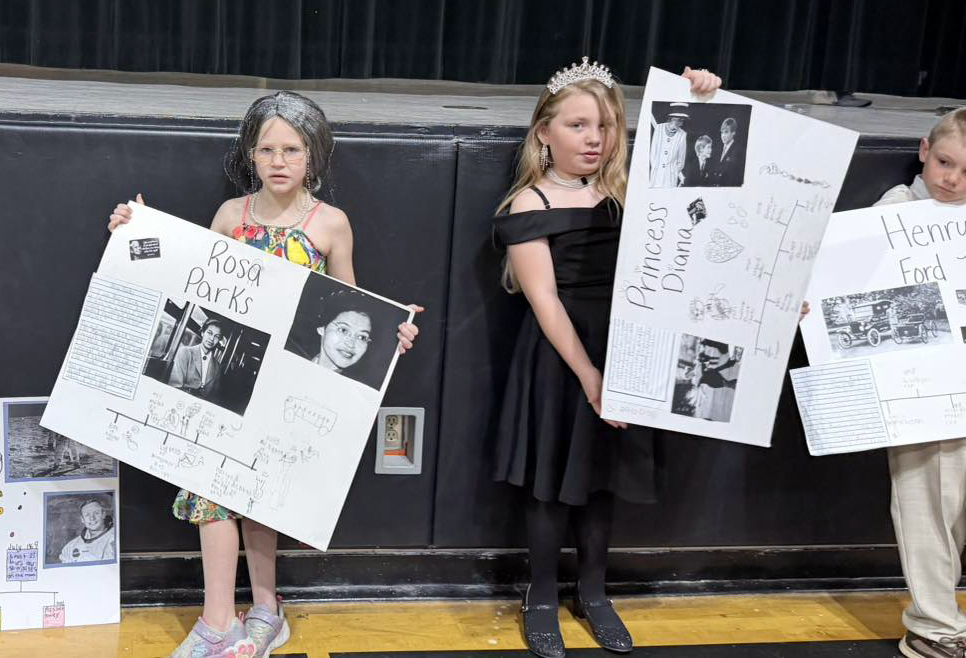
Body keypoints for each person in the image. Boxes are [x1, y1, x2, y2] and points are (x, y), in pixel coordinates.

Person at [108, 91, 422, 658]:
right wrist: (135, 233)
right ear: (250, 155)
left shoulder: (332, 224)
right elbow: (191, 278)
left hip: (289, 390)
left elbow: (352, 302)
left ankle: (266, 610)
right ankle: (217, 620)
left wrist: (390, 329)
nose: (279, 160)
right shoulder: (232, 216)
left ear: (313, 157)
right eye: (267, 149)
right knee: (209, 492)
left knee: (262, 499)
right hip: (226, 390)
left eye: (292, 149)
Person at [492, 59, 720, 658]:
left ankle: (593, 593)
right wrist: (592, 376)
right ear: (544, 132)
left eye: (606, 125)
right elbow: (544, 301)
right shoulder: (528, 203)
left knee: (601, 482)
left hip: (625, 347)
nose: (594, 138)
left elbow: (704, 189)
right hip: (560, 355)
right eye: (578, 125)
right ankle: (540, 596)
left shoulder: (631, 192)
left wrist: (700, 101)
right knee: (549, 485)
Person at [865, 108, 966, 658]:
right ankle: (934, 628)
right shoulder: (892, 213)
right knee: (929, 504)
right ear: (925, 150)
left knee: (954, 510)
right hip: (919, 390)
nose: (951, 180)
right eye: (946, 163)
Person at [168, 318, 224, 401]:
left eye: (216, 337)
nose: (212, 339)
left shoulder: (217, 367)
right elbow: (175, 385)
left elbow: (213, 397)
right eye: (209, 333)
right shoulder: (185, 353)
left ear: (219, 340)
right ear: (202, 333)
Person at [59, 498, 115, 563]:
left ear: (103, 514)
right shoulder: (70, 547)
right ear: (82, 519)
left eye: (96, 513)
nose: (92, 518)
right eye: (87, 515)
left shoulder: (114, 539)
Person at [649, 102, 690, 187]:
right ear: (672, 118)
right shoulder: (659, 128)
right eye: (679, 120)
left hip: (670, 178)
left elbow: (681, 161)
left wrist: (673, 172)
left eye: (682, 120)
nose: (681, 123)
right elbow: (653, 152)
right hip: (656, 174)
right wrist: (656, 167)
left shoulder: (682, 134)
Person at [709, 117, 744, 187]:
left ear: (733, 133)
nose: (723, 136)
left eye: (726, 132)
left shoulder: (738, 152)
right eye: (722, 132)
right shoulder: (717, 150)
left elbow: (737, 178)